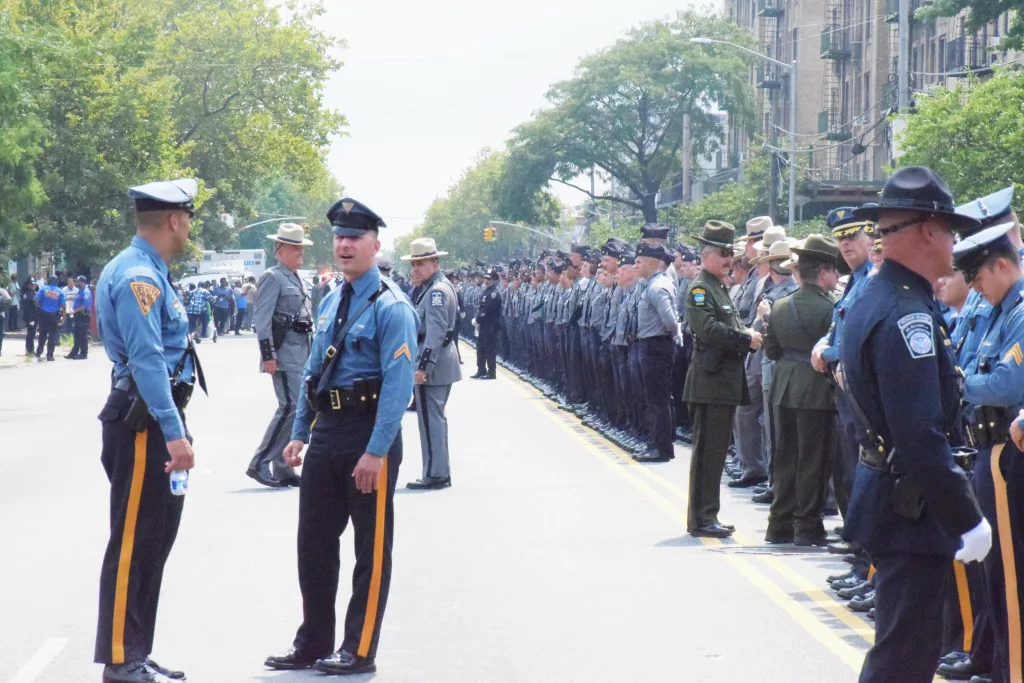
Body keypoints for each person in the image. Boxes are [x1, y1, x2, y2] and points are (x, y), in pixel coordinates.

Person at [841, 166, 991, 683]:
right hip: (911, 511)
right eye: (950, 230)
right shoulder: (906, 314)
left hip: (896, 500)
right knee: (903, 659)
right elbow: (920, 435)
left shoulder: (882, 298)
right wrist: (966, 517)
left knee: (904, 651)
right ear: (927, 229)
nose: (954, 243)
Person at [264, 198, 416, 676]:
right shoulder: (332, 300)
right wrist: (299, 430)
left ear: (375, 244)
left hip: (368, 434)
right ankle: (313, 642)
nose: (345, 245)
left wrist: (375, 451)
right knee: (313, 543)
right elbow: (313, 369)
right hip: (328, 431)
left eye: (355, 237)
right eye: (339, 237)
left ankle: (359, 647)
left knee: (369, 549)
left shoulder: (392, 306)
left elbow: (398, 386)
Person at [94, 178, 205, 683]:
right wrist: (173, 429)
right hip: (143, 423)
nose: (188, 229)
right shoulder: (139, 275)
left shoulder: (143, 268)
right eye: (187, 220)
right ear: (174, 221)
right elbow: (146, 360)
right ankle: (120, 658)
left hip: (151, 418)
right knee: (135, 541)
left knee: (153, 540)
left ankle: (136, 650)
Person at [683, 221, 762, 538]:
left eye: (732, 253)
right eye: (723, 253)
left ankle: (706, 515)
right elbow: (709, 330)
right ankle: (703, 518)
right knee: (708, 453)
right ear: (705, 255)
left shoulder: (717, 288)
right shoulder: (702, 289)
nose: (730, 260)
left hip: (721, 381)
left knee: (714, 453)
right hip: (711, 381)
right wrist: (746, 339)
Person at [762, 236, 841, 546]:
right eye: (834, 272)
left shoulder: (780, 305)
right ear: (823, 273)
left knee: (784, 458)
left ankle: (779, 524)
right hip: (816, 390)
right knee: (814, 460)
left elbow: (770, 351)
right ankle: (807, 526)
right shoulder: (831, 307)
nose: (836, 278)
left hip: (783, 387)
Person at [248, 223, 314, 488]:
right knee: (290, 407)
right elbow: (261, 319)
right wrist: (268, 355)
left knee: (297, 410)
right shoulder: (273, 277)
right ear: (280, 250)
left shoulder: (294, 276)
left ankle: (283, 467)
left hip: (301, 352)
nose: (301, 253)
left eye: (301, 248)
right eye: (296, 248)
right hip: (283, 353)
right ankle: (259, 463)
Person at [401, 237, 461, 490]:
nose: (415, 269)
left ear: (435, 263)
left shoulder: (436, 292)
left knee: (430, 421)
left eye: (421, 264)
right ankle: (437, 471)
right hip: (439, 362)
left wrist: (422, 367)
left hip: (434, 366)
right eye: (413, 264)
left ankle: (436, 474)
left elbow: (435, 334)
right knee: (432, 419)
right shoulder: (432, 287)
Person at [633, 242, 681, 462]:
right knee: (655, 399)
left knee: (657, 400)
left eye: (639, 261)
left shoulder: (657, 286)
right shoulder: (652, 284)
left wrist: (672, 337)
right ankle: (657, 444)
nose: (636, 265)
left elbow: (670, 320)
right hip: (653, 345)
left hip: (656, 346)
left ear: (651, 262)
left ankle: (660, 448)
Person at [472, 269, 501, 379]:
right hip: (483, 325)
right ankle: (481, 369)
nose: (486, 281)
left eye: (489, 279)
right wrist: (477, 318)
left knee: (490, 349)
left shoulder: (494, 293)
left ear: (494, 280)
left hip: (490, 325)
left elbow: (487, 310)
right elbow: (481, 308)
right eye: (486, 278)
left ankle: (491, 371)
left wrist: (478, 319)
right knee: (480, 348)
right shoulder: (486, 291)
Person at [35, 275, 66, 361]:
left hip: (43, 315)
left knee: (42, 334)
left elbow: (36, 301)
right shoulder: (60, 292)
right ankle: (49, 355)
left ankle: (38, 352)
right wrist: (64, 317)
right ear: (56, 281)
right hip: (54, 316)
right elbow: (63, 305)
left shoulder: (43, 289)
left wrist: (39, 310)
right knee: (52, 336)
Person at [66, 274, 93, 359]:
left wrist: (74, 311)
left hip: (83, 316)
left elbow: (84, 305)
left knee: (82, 336)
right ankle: (74, 352)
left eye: (78, 281)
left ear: (83, 282)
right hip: (78, 316)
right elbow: (77, 300)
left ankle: (84, 353)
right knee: (76, 335)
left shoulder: (86, 292)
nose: (76, 282)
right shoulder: (80, 291)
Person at [21, 279, 37, 355]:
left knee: (32, 334)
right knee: (30, 334)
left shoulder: (34, 293)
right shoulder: (26, 294)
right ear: (28, 285)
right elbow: (27, 307)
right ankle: (29, 350)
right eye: (31, 284)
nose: (33, 286)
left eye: (34, 284)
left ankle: (30, 349)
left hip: (35, 316)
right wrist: (30, 318)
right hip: (30, 317)